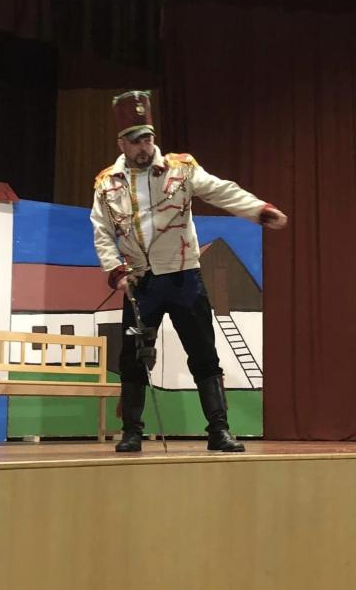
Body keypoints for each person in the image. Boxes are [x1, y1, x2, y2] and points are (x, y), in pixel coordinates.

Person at [91, 90, 288, 453]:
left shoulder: (181, 169)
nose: (144, 147)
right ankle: (131, 432)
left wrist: (259, 211)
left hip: (183, 277)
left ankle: (219, 430)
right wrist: (116, 270)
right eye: (135, 140)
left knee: (203, 354)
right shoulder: (107, 183)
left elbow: (222, 191)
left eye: (148, 138)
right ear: (122, 143)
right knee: (132, 359)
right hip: (141, 281)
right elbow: (102, 231)